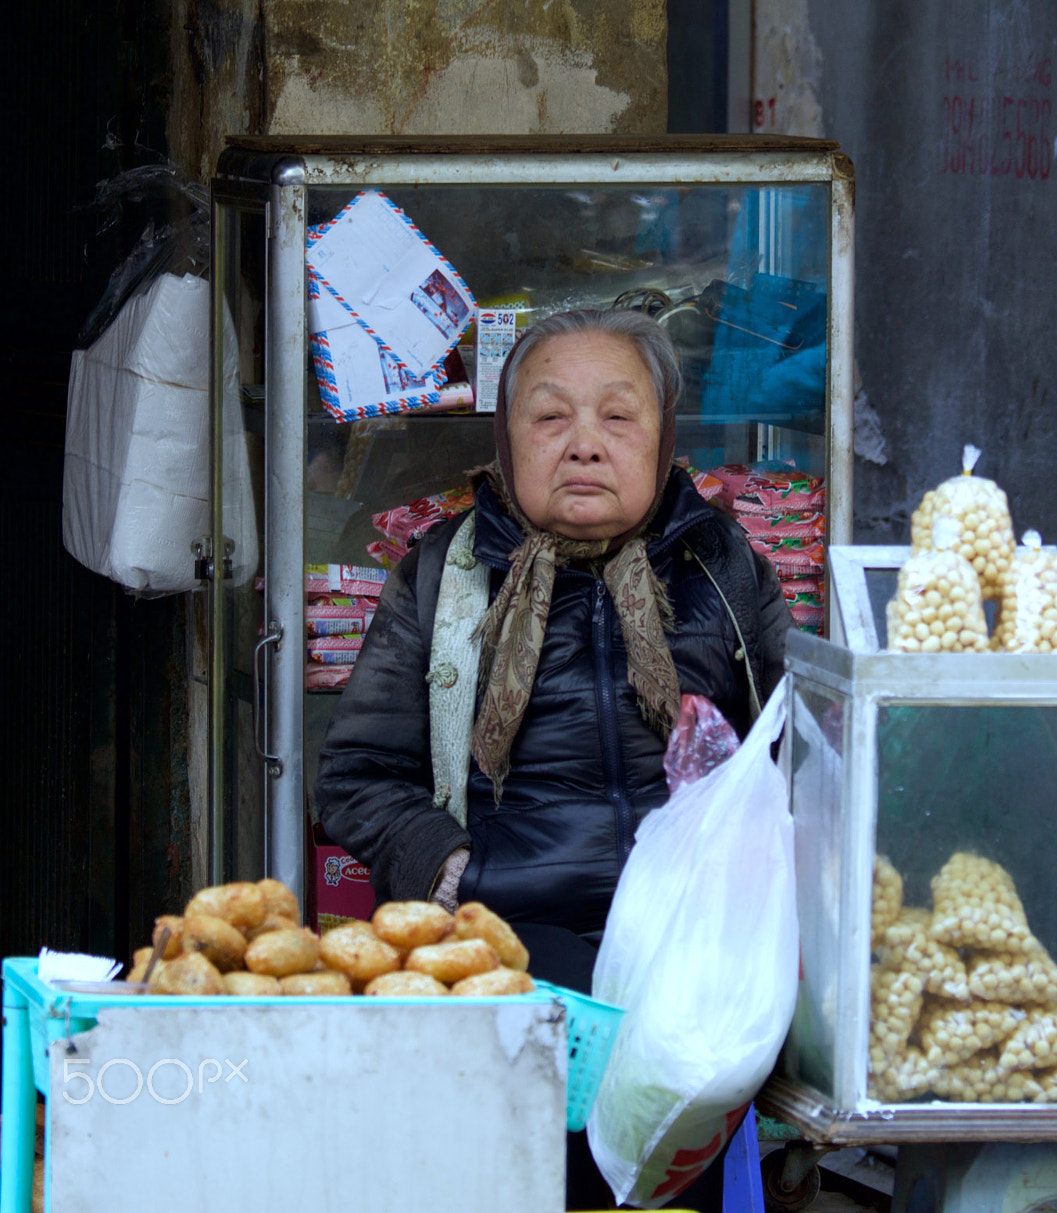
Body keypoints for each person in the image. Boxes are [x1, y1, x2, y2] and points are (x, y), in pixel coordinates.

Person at [315, 308, 792, 1209]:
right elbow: (356, 772)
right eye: (549, 417)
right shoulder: (443, 573)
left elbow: (801, 742)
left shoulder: (721, 568)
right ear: (506, 437)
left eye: (618, 417)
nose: (584, 445)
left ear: (663, 438)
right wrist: (451, 866)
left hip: (686, 955)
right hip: (513, 948)